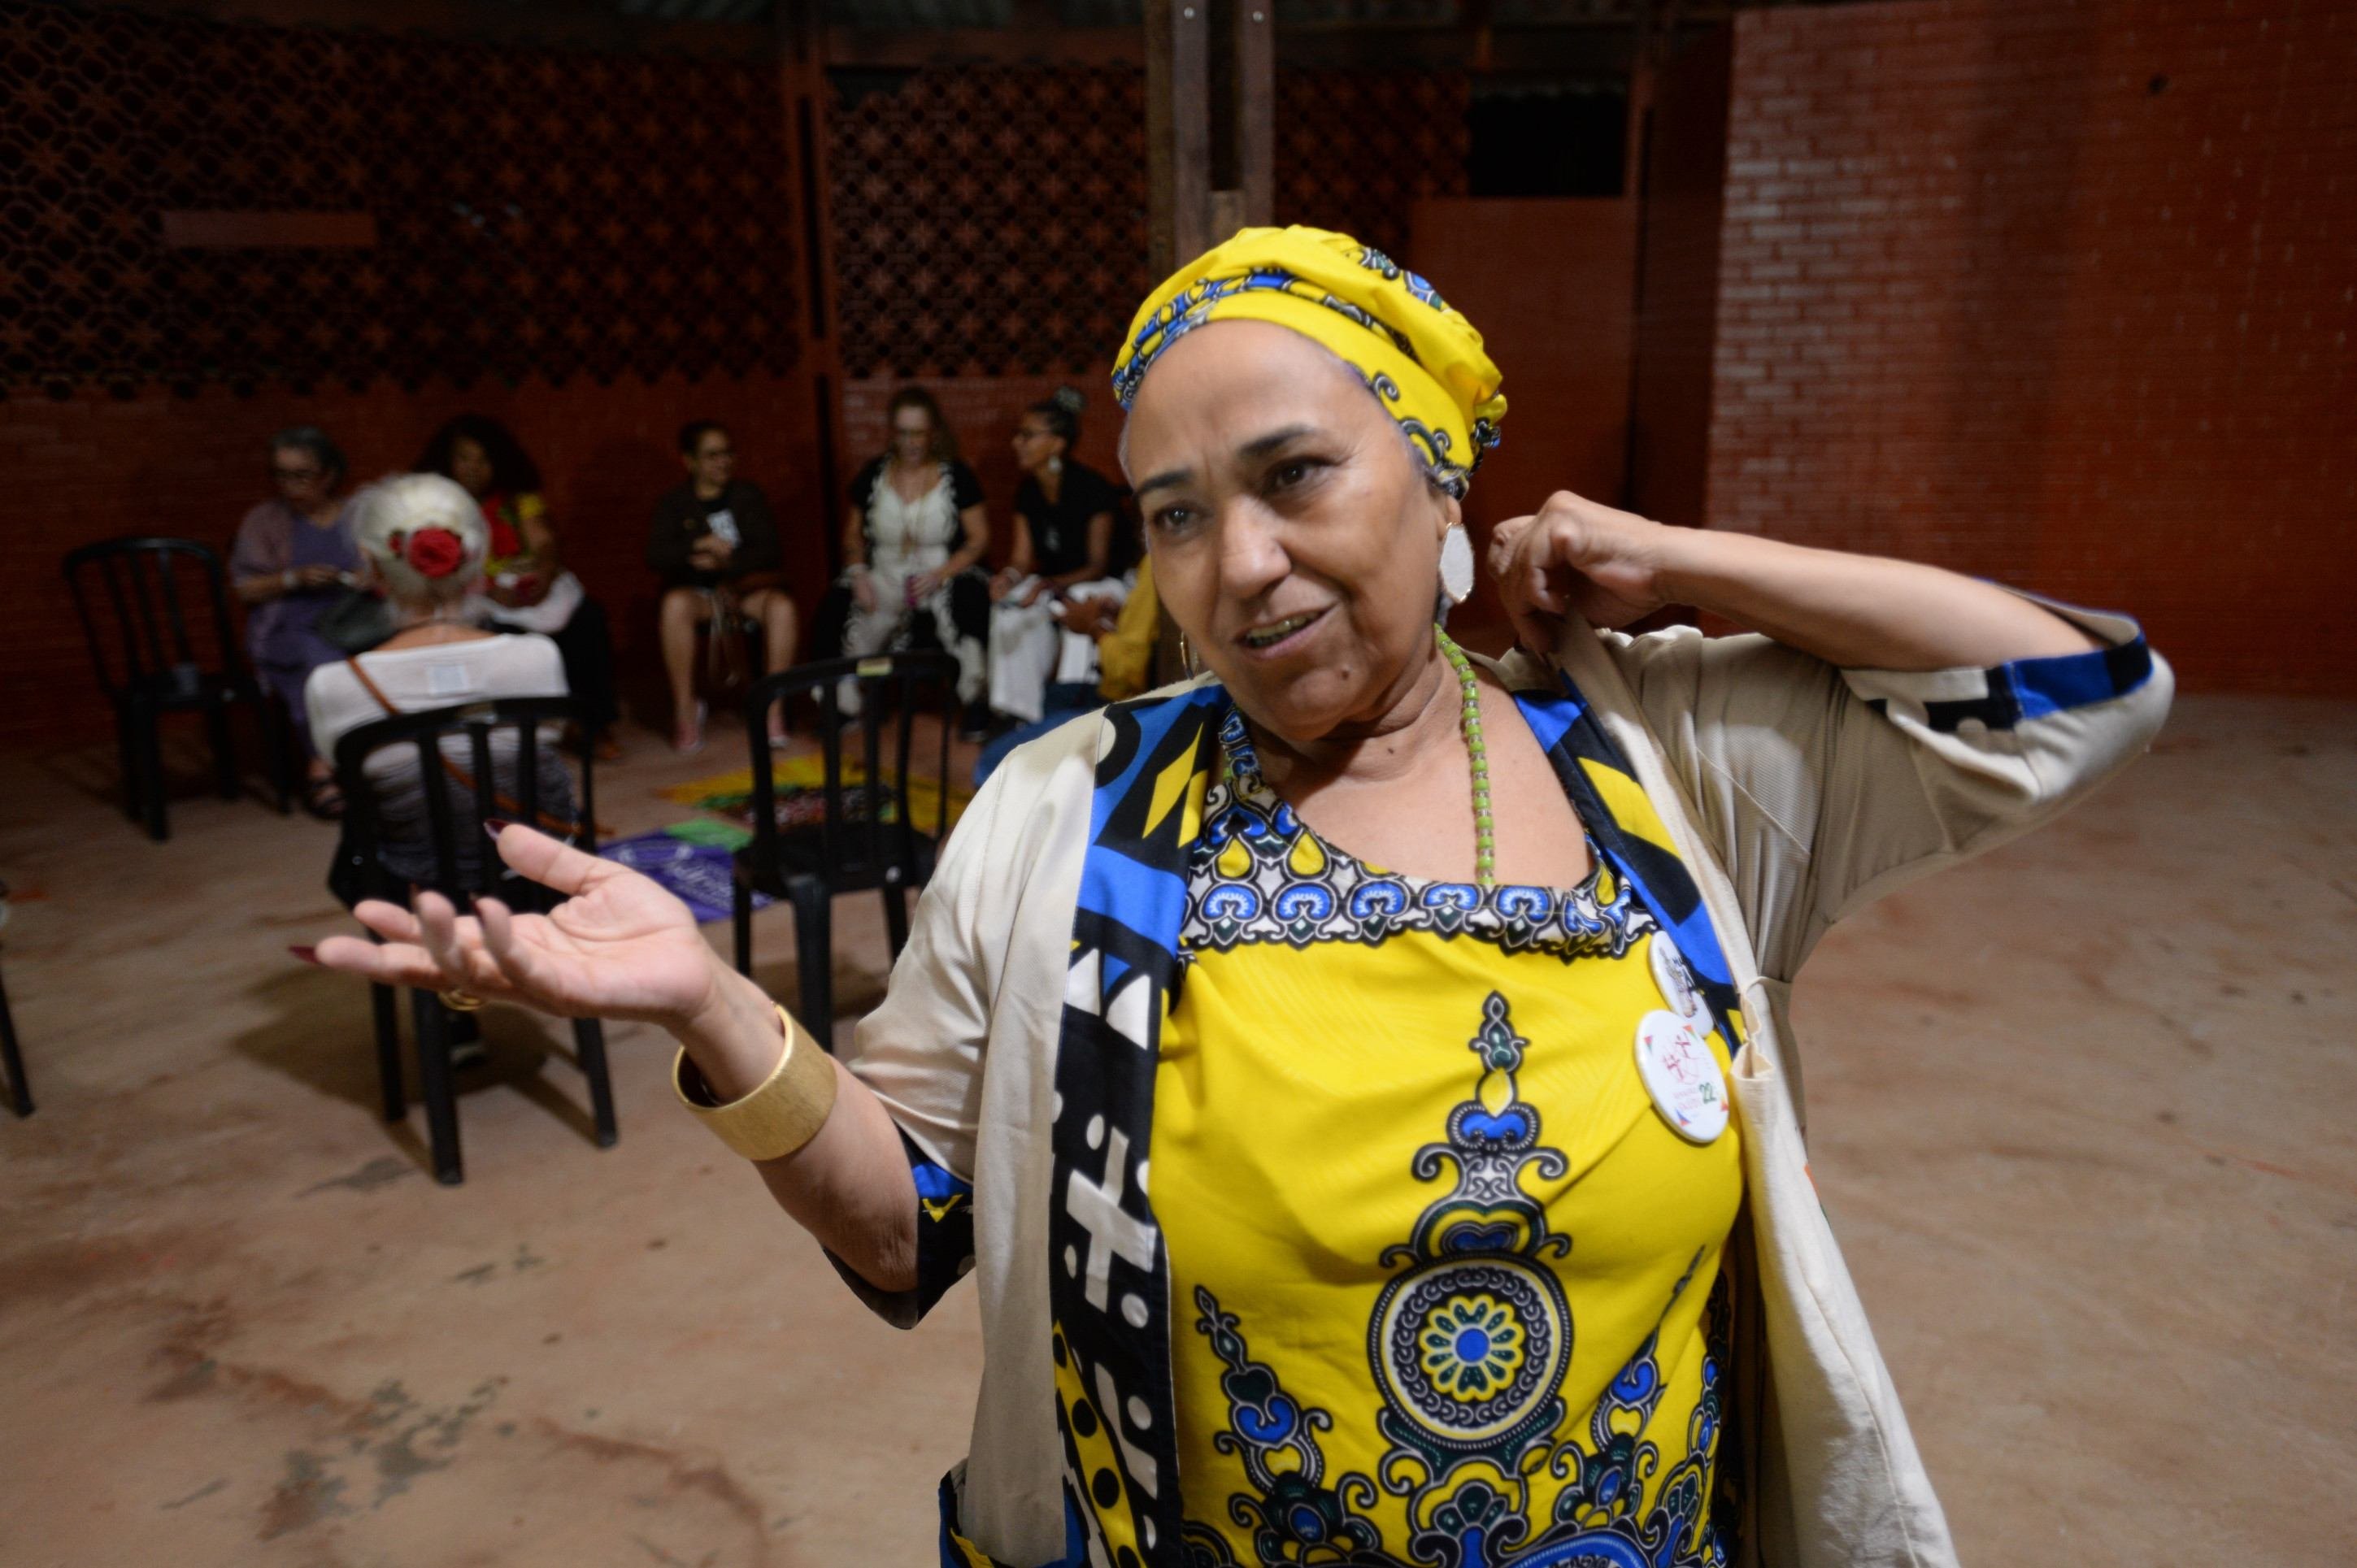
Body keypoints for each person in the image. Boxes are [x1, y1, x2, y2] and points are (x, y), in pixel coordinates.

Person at [307, 225, 2172, 1567]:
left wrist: (1667, 553)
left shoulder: (1667, 767)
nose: (1238, 562)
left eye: (1295, 476)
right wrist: (718, 1011)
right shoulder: (1068, 814)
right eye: (1177, 511)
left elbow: (2077, 692)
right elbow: (911, 1228)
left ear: (1442, 481)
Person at [304, 473, 572, 911]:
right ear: (475, 557)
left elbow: (343, 777)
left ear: (370, 565)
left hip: (414, 890)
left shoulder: (334, 685)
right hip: (537, 874)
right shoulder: (538, 657)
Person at [415, 414, 620, 761]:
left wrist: (542, 574)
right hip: (471, 597)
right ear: (447, 462)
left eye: (483, 460)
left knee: (588, 619)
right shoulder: (434, 508)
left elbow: (544, 543)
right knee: (501, 637)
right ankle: (525, 735)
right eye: (464, 458)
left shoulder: (518, 499)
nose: (473, 468)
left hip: (524, 590)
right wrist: (489, 589)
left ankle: (591, 724)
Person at [837, 389, 990, 728]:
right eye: (903, 433)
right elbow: (852, 534)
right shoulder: (873, 473)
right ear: (892, 433)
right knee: (850, 605)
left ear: (933, 432)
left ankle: (974, 699)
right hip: (885, 568)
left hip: (942, 569)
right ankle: (852, 700)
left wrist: (941, 573)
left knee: (966, 602)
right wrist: (859, 572)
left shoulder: (956, 474)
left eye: (918, 433)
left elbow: (979, 538)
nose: (911, 442)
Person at [230, 425, 361, 818]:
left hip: (354, 619)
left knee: (389, 655)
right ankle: (322, 767)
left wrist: (363, 580)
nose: (289, 485)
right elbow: (244, 588)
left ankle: (381, 765)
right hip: (290, 626)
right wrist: (294, 578)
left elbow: (384, 570)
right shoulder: (264, 520)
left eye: (301, 475)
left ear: (329, 475)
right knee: (320, 663)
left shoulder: (355, 515)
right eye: (281, 474)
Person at [649, 421, 799, 753]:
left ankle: (773, 709)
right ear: (690, 461)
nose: (723, 461)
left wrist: (727, 563)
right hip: (699, 595)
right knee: (674, 606)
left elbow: (771, 550)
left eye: (728, 453)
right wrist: (695, 548)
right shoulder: (675, 503)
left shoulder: (748, 495)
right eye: (712, 455)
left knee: (783, 608)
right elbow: (656, 554)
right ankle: (686, 710)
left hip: (744, 591)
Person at [985, 389, 1129, 731]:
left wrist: (1049, 585)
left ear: (1057, 443)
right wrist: (1007, 578)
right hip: (1054, 585)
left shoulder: (1092, 489)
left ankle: (1073, 714)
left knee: (1079, 605)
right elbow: (1021, 560)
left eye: (1028, 435)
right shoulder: (1028, 491)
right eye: (1018, 435)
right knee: (1010, 608)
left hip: (1107, 583)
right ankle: (1022, 715)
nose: (1017, 443)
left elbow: (1098, 564)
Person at [972, 556, 1159, 787]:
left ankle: (1070, 779)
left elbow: (1130, 670)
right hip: (1118, 695)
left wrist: (1093, 627)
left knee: (990, 766)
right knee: (1057, 695)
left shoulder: (1157, 562)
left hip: (1132, 710)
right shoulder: (1154, 560)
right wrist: (1117, 616)